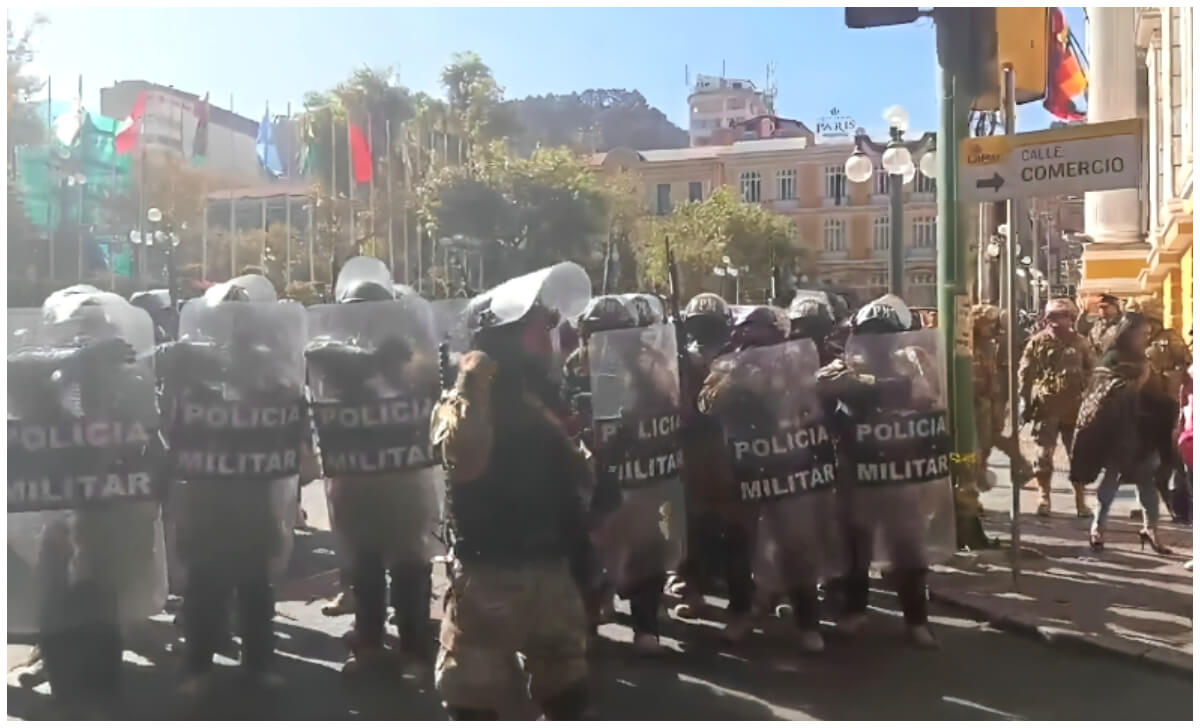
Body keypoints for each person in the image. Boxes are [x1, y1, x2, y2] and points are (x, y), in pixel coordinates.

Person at [430, 263, 595, 720]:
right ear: (508, 335)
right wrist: (470, 382)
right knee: (474, 693)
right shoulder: (474, 394)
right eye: (539, 327)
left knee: (565, 681)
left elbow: (575, 474)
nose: (551, 336)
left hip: (551, 565)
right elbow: (463, 460)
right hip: (490, 568)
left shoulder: (541, 392)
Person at [8, 289, 167, 717]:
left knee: (103, 591)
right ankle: (54, 656)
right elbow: (16, 372)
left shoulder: (128, 377)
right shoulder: (49, 374)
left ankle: (103, 667)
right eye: (80, 331)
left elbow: (145, 431)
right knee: (56, 589)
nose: (86, 336)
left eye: (95, 329)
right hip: (56, 508)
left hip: (109, 508)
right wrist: (76, 363)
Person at [160, 275, 307, 694]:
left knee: (254, 581)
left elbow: (289, 406)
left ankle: (255, 663)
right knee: (206, 581)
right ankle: (199, 666)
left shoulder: (268, 362)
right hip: (208, 490)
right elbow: (168, 397)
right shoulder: (190, 359)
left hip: (249, 491)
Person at [305, 257, 443, 675]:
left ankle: (414, 646)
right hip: (357, 479)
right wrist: (369, 360)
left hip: (402, 478)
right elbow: (315, 351)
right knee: (366, 565)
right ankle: (371, 642)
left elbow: (431, 376)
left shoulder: (412, 349)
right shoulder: (336, 350)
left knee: (408, 564)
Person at [818, 296, 952, 649]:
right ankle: (854, 611)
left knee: (909, 551)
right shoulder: (844, 364)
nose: (879, 340)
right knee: (856, 548)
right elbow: (822, 385)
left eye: (886, 333)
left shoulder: (914, 361)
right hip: (858, 472)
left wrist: (898, 382)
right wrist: (867, 381)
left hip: (899, 471)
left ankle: (917, 621)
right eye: (871, 333)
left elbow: (930, 394)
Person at [1070, 312, 1169, 554]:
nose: (1146, 338)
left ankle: (1151, 529)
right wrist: (1140, 382)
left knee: (1147, 482)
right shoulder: (1112, 359)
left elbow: (1158, 395)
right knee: (1112, 480)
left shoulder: (1144, 359)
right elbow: (1103, 393)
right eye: (1142, 334)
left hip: (1143, 431)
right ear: (1128, 333)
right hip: (1118, 431)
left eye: (1148, 334)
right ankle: (1098, 528)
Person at [667, 293, 734, 611]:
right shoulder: (681, 359)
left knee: (723, 519)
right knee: (691, 519)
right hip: (692, 445)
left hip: (726, 444)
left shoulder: (734, 358)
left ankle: (722, 578)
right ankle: (691, 581)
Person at [1017, 298, 1095, 517]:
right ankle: (1043, 498)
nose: (1052, 322)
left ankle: (1081, 502)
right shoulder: (1037, 342)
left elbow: (1092, 370)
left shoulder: (1081, 343)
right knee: (1043, 455)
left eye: (1057, 317)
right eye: (1049, 317)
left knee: (1078, 456)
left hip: (1075, 408)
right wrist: (1025, 402)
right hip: (1046, 406)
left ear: (1070, 318)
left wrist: (1088, 396)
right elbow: (1025, 373)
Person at [1124, 296, 1192, 522]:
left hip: (1167, 407)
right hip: (1139, 406)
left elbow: (1185, 366)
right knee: (1139, 458)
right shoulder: (1128, 340)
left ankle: (1177, 504)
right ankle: (1144, 504)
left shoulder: (1170, 339)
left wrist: (1173, 383)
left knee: (1171, 458)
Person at [971, 304, 1034, 488]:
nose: (991, 328)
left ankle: (984, 476)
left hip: (988, 398)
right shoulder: (969, 344)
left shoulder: (990, 344)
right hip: (973, 399)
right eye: (987, 324)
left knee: (989, 439)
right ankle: (981, 477)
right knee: (984, 440)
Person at [1085, 293, 1122, 358]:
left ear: (1115, 307)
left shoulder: (1123, 323)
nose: (1102, 310)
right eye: (1099, 307)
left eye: (1105, 307)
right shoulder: (1096, 325)